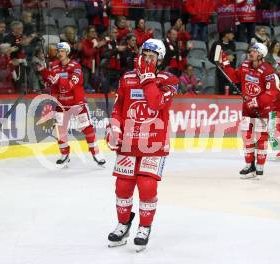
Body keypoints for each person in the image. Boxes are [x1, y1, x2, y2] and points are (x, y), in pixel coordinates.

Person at [106, 39, 179, 251]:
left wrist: (148, 80)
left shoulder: (169, 80)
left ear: (160, 60)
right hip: (129, 140)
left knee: (147, 187)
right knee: (123, 186)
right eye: (144, 54)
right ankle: (123, 224)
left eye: (152, 56)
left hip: (154, 142)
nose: (147, 59)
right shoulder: (127, 77)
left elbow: (157, 103)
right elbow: (119, 107)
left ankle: (144, 228)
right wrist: (115, 127)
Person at [38, 42, 105, 168]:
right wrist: (44, 73)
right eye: (58, 51)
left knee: (87, 128)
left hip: (76, 104)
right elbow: (53, 85)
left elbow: (70, 85)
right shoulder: (54, 66)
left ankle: (96, 153)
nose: (59, 53)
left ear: (67, 52)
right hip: (62, 105)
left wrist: (55, 78)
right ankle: (64, 155)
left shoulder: (76, 66)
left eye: (62, 51)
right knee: (61, 130)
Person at [219, 43, 279, 178]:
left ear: (261, 55)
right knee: (247, 138)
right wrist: (225, 63)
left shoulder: (268, 71)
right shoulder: (245, 65)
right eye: (250, 50)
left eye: (254, 51)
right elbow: (234, 77)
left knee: (261, 139)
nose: (250, 53)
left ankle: (260, 166)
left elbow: (271, 92)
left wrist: (256, 101)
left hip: (262, 110)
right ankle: (249, 165)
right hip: (247, 109)